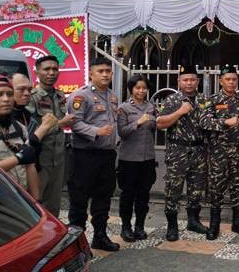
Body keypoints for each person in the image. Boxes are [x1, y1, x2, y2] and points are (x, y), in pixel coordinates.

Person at [66, 57, 120, 251]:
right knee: (79, 200)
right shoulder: (81, 96)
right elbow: (74, 122)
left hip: (106, 156)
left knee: (103, 198)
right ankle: (76, 244)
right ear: (91, 73)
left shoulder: (112, 96)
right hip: (84, 156)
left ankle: (99, 237)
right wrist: (95, 132)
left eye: (108, 71)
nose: (105, 74)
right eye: (100, 71)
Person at [202, 64, 239, 240]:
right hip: (218, 154)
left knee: (238, 190)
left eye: (234, 79)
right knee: (216, 190)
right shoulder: (212, 100)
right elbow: (204, 123)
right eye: (228, 79)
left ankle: (237, 222)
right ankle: (214, 225)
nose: (231, 82)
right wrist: (224, 122)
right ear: (221, 80)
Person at [156, 65, 209, 241]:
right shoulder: (172, 100)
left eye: (192, 79)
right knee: (173, 189)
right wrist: (180, 111)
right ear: (178, 81)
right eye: (185, 79)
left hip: (199, 151)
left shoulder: (204, 100)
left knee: (196, 189)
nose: (189, 83)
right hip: (178, 151)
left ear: (198, 82)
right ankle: (172, 225)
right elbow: (160, 124)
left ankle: (193, 221)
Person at [0, 75, 46, 200]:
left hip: (21, 202)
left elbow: (29, 165)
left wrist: (37, 202)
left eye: (10, 94)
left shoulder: (18, 127)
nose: (6, 99)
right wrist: (18, 158)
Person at [28, 55, 76, 217]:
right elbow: (31, 132)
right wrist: (61, 123)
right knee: (35, 205)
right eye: (46, 69)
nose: (51, 73)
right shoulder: (32, 97)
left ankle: (53, 239)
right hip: (40, 162)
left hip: (58, 160)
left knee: (54, 205)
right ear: (37, 72)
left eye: (55, 69)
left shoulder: (60, 96)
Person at [116, 74, 157, 242]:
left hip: (147, 158)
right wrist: (138, 122)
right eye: (137, 88)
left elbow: (155, 128)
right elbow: (122, 132)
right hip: (129, 159)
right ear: (131, 89)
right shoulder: (124, 108)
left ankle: (140, 226)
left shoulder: (151, 107)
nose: (141, 91)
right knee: (127, 195)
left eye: (144, 88)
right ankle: (126, 227)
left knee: (143, 195)